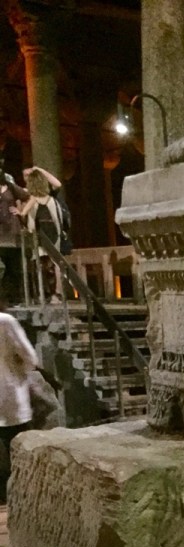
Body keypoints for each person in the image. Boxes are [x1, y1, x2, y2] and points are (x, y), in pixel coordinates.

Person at [0, 305, 38, 500]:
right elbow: (29, 356)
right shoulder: (5, 321)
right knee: (18, 448)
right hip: (9, 392)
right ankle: (21, 498)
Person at [18, 167, 63, 303]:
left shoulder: (49, 197)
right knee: (38, 265)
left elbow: (57, 184)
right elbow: (23, 212)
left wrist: (40, 170)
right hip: (37, 234)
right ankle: (42, 295)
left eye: (29, 175)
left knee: (50, 265)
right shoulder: (26, 194)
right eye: (24, 175)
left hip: (49, 233)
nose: (26, 177)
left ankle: (53, 294)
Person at [0, 157, 29, 305]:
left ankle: (14, 298)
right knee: (2, 267)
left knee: (14, 267)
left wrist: (21, 211)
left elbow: (28, 196)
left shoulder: (10, 187)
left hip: (12, 231)